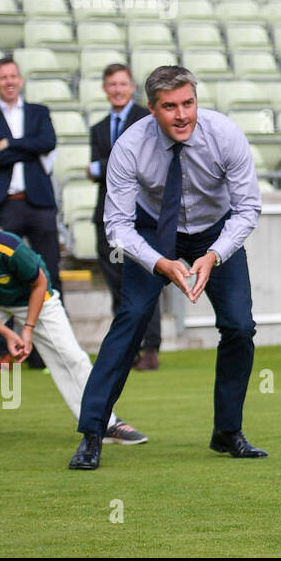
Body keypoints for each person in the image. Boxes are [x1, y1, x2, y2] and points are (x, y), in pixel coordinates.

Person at [70, 65, 264, 470]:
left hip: (215, 231)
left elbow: (248, 209)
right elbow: (117, 226)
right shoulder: (129, 146)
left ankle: (228, 432)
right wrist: (160, 262)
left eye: (188, 103)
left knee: (239, 326)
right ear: (152, 110)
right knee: (133, 317)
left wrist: (214, 255)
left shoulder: (225, 134)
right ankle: (92, 432)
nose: (182, 115)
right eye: (170, 106)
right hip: (155, 231)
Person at [0, 195, 144, 451]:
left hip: (36, 297)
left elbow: (40, 283)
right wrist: (8, 335)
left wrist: (27, 330)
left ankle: (104, 421)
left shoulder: (8, 248)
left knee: (71, 355)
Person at [0, 57, 63, 301]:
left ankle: (55, 336)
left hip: (40, 203)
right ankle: (8, 339)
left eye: (13, 76)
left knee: (50, 269)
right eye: (3, 77)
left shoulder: (39, 111)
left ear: (20, 79)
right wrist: (30, 150)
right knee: (5, 273)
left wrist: (10, 144)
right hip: (6, 204)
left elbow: (48, 142)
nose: (9, 82)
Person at [88, 63, 157, 370]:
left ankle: (151, 347)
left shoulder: (147, 118)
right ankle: (128, 347)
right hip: (108, 215)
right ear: (105, 88)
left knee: (146, 279)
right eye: (111, 84)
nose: (117, 89)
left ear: (131, 87)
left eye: (122, 84)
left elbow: (142, 161)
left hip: (142, 214)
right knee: (118, 284)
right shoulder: (98, 128)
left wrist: (100, 166)